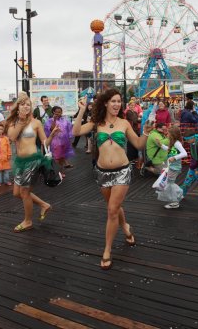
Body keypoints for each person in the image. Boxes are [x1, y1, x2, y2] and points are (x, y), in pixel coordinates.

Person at [72, 88, 149, 270]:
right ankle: (126, 228)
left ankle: (107, 250)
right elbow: (76, 132)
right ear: (105, 103)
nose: (116, 104)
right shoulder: (96, 122)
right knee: (114, 208)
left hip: (123, 171)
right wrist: (82, 109)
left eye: (118, 101)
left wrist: (145, 132)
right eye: (113, 101)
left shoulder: (124, 123)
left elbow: (138, 144)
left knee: (112, 210)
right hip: (102, 173)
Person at [6, 92, 59, 233]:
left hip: (33, 160)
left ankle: (28, 221)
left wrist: (52, 135)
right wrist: (22, 121)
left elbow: (44, 143)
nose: (26, 106)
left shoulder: (36, 122)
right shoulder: (13, 122)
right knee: (16, 193)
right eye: (22, 104)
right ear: (17, 107)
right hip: (20, 161)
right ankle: (44, 205)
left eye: (28, 104)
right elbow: (12, 136)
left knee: (24, 192)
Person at [154, 126, 187, 209]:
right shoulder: (173, 143)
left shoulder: (177, 143)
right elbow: (170, 149)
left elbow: (184, 153)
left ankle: (175, 201)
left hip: (174, 167)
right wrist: (161, 145)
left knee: (169, 183)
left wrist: (174, 158)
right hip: (171, 166)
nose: (167, 134)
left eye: (168, 133)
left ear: (173, 135)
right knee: (168, 183)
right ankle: (177, 196)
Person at [44, 106, 74, 178]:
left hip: (64, 142)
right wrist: (54, 120)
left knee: (61, 158)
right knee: (56, 159)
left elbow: (69, 130)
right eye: (56, 112)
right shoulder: (49, 120)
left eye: (60, 112)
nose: (58, 114)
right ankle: (56, 172)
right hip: (55, 143)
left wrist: (70, 140)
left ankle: (61, 172)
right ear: (53, 112)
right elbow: (50, 129)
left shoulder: (65, 120)